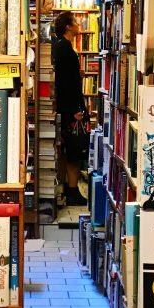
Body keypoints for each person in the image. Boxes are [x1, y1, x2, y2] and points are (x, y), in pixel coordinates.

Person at [52, 11, 88, 206]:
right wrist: (74, 109)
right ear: (68, 26)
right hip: (71, 109)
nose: (78, 24)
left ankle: (68, 189)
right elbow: (66, 84)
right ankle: (73, 192)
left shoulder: (61, 47)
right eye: (75, 21)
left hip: (66, 108)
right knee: (75, 150)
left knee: (67, 150)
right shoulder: (65, 49)